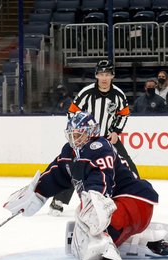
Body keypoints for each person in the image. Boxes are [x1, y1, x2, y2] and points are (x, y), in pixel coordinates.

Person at [3, 112, 168, 260]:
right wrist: (35, 194)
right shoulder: (69, 152)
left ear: (91, 133)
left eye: (79, 134)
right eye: (72, 134)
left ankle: (104, 256)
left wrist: (95, 206)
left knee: (87, 211)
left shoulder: (99, 147)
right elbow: (54, 175)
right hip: (123, 213)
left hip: (134, 204)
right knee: (78, 235)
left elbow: (101, 182)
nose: (75, 139)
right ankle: (144, 242)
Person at [48, 60, 140, 216]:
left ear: (112, 76)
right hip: (86, 140)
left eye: (107, 74)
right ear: (96, 75)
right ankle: (59, 200)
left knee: (127, 165)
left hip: (107, 139)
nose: (104, 78)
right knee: (74, 167)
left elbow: (124, 114)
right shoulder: (86, 93)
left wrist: (116, 131)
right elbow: (72, 112)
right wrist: (79, 133)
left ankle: (137, 196)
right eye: (101, 74)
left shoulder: (118, 95)